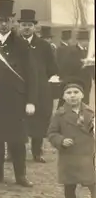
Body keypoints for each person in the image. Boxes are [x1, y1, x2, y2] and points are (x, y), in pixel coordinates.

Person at [0, 0, 37, 187]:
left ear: (13, 21)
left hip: (16, 98)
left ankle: (20, 176)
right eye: (0, 20)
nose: (4, 24)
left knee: (17, 139)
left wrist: (30, 101)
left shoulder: (22, 45)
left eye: (7, 20)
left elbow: (31, 75)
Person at [17, 10, 59, 163]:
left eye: (29, 25)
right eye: (23, 25)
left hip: (40, 89)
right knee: (16, 119)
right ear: (18, 26)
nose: (26, 28)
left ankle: (37, 152)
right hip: (18, 88)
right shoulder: (13, 43)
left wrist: (40, 80)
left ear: (35, 27)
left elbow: (52, 68)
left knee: (39, 120)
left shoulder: (44, 46)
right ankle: (13, 152)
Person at [47, 77, 95, 198]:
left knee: (93, 184)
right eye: (68, 93)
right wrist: (61, 140)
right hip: (69, 156)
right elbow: (51, 134)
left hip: (87, 156)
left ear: (82, 95)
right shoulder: (59, 114)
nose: (72, 96)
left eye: (75, 92)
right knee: (69, 187)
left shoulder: (90, 113)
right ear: (63, 96)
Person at [57, 29, 94, 105]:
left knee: (84, 106)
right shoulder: (72, 51)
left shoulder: (88, 52)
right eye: (87, 41)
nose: (89, 43)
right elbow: (66, 67)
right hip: (75, 84)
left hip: (86, 84)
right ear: (81, 41)